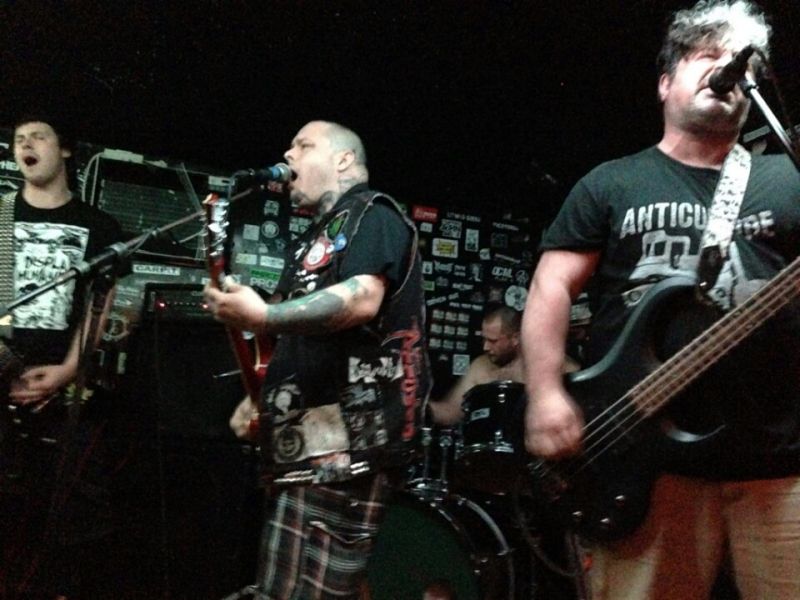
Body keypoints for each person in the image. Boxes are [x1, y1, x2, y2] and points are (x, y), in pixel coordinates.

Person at [521, 1, 800, 599]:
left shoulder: (789, 180)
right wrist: (544, 394)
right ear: (665, 83)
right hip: (646, 461)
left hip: (780, 461)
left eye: (740, 62)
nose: (726, 69)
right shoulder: (612, 182)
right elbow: (550, 286)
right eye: (707, 56)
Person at [205, 120, 430, 599]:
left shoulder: (373, 213)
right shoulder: (316, 237)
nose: (288, 154)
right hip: (308, 442)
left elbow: (361, 299)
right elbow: (295, 342)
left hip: (349, 447)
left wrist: (264, 314)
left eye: (303, 145)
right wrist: (261, 398)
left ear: (344, 160)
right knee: (281, 587)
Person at [0, 115, 124, 599]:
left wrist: (70, 368)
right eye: (19, 139)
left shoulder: (99, 226)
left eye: (38, 136)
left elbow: (101, 304)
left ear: (65, 149)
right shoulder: (2, 217)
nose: (25, 145)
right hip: (3, 371)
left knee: (71, 509)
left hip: (64, 389)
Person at [429, 304, 576, 425]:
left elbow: (580, 395)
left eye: (493, 341)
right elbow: (451, 411)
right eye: (484, 339)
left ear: (515, 338)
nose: (485, 347)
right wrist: (422, 408)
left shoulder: (547, 363)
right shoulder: (480, 366)